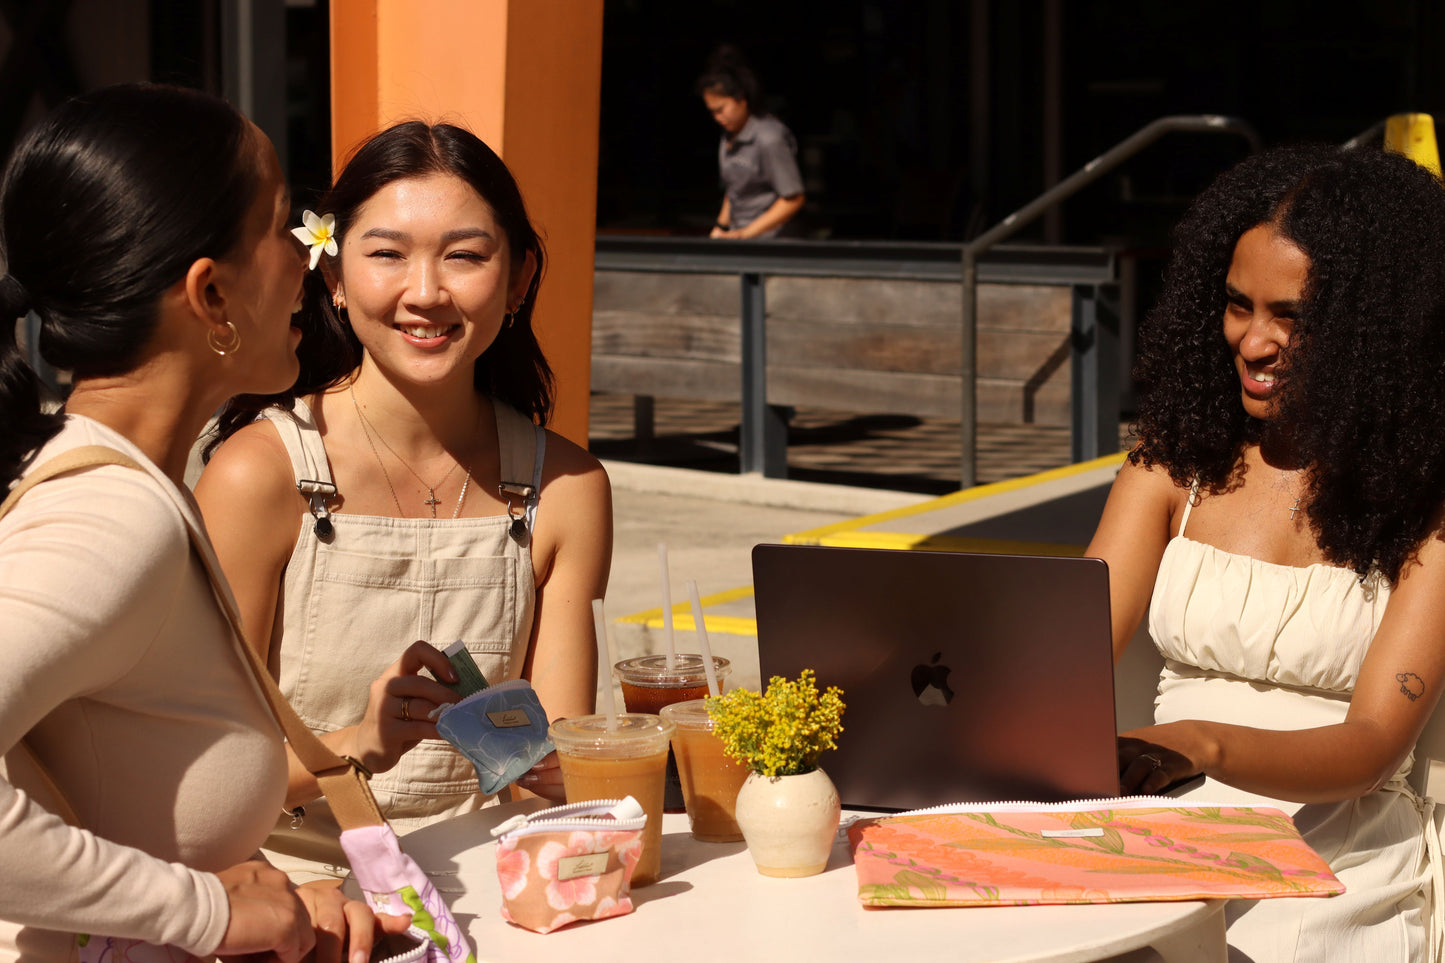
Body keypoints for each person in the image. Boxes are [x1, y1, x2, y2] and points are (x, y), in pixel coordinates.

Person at [0, 84, 403, 961]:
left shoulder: (132, 485)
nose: (309, 258)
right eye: (278, 225)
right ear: (212, 294)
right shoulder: (109, 520)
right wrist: (202, 913)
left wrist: (259, 893)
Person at [196, 120, 611, 881]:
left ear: (517, 279)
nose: (425, 292)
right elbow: (202, 781)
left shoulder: (568, 488)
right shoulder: (259, 472)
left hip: (500, 886)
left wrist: (574, 765)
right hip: (294, 894)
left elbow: (548, 776)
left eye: (465, 255)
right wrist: (357, 737)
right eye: (386, 253)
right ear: (333, 278)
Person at [1088, 144, 1445, 960]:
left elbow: (1369, 747)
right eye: (1236, 305)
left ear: (1375, 332)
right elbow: (1056, 660)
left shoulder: (1424, 507)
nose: (1252, 342)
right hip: (1162, 841)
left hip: (1332, 873)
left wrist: (1199, 742)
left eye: (1293, 316)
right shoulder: (1169, 471)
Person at [697, 46, 806, 239]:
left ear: (741, 99)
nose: (717, 117)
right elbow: (734, 189)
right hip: (740, 238)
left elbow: (793, 198)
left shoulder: (769, 138)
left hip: (772, 241)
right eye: (712, 112)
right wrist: (721, 226)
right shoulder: (729, 135)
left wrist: (745, 234)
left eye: (721, 109)